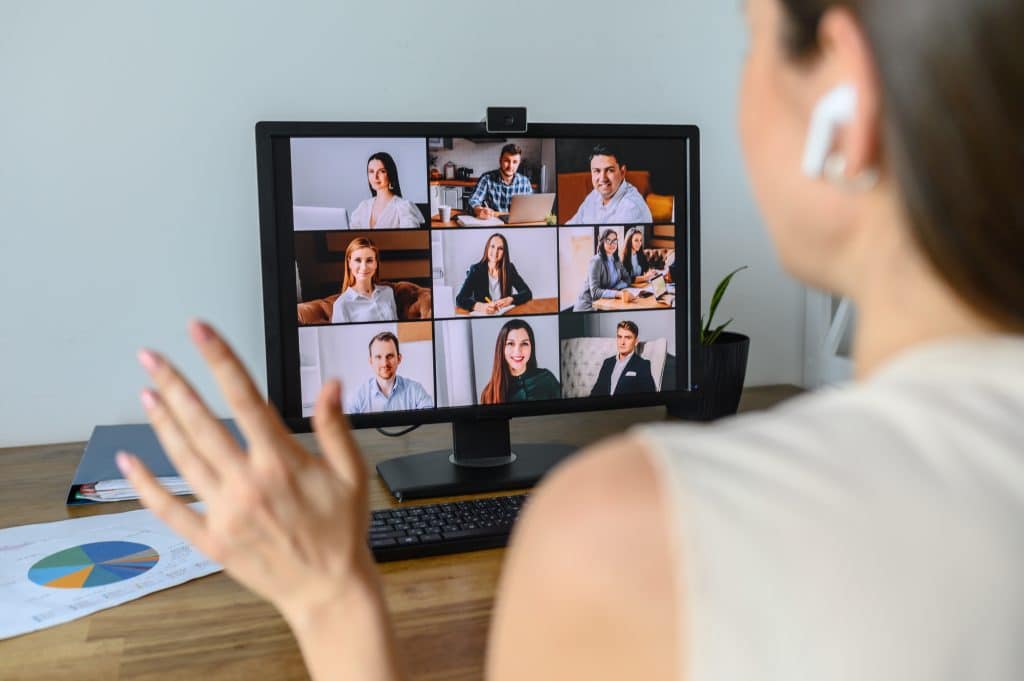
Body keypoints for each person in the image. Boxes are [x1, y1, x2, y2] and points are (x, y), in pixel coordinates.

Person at [119, 0, 1024, 679]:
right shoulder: (500, 250)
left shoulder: (625, 533)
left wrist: (329, 599)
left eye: (753, 44)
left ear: (843, 99)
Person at [566, 145, 653, 225]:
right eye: (597, 171)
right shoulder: (594, 195)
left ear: (622, 172)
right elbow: (569, 227)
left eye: (610, 170)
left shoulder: (631, 208)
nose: (603, 178)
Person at [348, 332, 433, 413]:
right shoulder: (358, 396)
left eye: (390, 356)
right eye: (378, 357)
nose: (385, 363)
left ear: (399, 359)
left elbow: (431, 422)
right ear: (371, 361)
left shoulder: (416, 390)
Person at [479, 319, 560, 404]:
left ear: (531, 348)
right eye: (510, 343)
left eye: (524, 344)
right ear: (501, 348)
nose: (517, 351)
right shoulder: (488, 393)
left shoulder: (547, 378)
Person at [455, 233, 533, 314]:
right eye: (492, 246)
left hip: (504, 313)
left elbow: (527, 293)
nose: (495, 252)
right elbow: (460, 299)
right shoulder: (476, 270)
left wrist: (511, 299)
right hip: (484, 316)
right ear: (487, 248)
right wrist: (480, 306)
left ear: (504, 252)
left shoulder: (509, 268)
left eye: (500, 248)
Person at [349, 152, 425, 229]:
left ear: (390, 174)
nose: (375, 177)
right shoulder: (363, 207)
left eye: (382, 171)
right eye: (371, 171)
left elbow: (411, 238)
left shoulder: (403, 207)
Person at [331, 237, 397, 323]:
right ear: (349, 263)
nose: (364, 267)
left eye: (369, 260)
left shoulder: (388, 292)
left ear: (376, 263)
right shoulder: (341, 305)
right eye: (358, 260)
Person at [589, 321, 656, 397]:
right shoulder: (607, 362)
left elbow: (650, 396)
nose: (622, 342)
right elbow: (596, 392)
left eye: (627, 338)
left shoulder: (643, 365)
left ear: (636, 341)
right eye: (619, 337)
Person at [468, 143, 534, 219]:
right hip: (493, 224)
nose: (510, 166)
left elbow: (531, 208)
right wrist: (479, 210)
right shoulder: (486, 178)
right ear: (500, 161)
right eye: (507, 161)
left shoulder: (525, 182)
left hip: (516, 225)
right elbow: (473, 201)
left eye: (515, 162)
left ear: (519, 164)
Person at [573, 228, 632, 311]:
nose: (612, 244)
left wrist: (616, 289)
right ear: (602, 242)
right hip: (589, 307)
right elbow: (595, 292)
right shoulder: (596, 261)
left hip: (606, 302)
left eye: (615, 241)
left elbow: (627, 279)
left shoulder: (616, 260)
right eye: (608, 241)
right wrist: (617, 293)